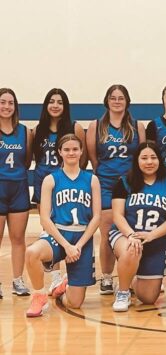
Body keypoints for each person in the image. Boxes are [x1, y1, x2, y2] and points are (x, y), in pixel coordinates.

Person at [24, 134, 101, 317]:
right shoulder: (51, 179)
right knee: (31, 253)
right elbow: (45, 219)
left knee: (74, 303)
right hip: (58, 235)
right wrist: (66, 246)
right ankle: (39, 296)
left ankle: (63, 286)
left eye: (75, 149)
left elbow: (96, 217)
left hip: (81, 238)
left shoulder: (92, 180)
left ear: (82, 151)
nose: (71, 152)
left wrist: (78, 246)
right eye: (66, 149)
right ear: (59, 152)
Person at [86, 84, 145, 295]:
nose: (117, 101)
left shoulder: (137, 126)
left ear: (127, 101)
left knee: (133, 228)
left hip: (131, 184)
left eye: (121, 98)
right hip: (106, 183)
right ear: (107, 100)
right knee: (107, 232)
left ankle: (134, 273)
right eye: (113, 98)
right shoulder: (96, 125)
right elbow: (93, 157)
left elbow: (142, 155)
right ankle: (107, 276)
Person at [108, 141, 166, 312]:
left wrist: (151, 235)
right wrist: (131, 235)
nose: (149, 162)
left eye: (153, 157)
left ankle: (130, 278)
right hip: (124, 235)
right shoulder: (124, 182)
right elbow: (117, 215)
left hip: (155, 241)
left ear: (160, 160)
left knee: (148, 298)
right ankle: (123, 292)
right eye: (144, 158)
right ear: (137, 160)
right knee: (132, 249)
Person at [32, 88, 86, 295]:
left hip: (67, 182)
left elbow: (85, 157)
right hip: (44, 182)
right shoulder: (38, 130)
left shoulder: (75, 128)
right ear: (46, 105)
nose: (55, 105)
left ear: (65, 106)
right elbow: (32, 158)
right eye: (51, 101)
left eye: (60, 102)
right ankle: (55, 277)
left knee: (67, 225)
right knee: (48, 228)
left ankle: (68, 273)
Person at [0, 88, 32, 298]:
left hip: (19, 187)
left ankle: (17, 280)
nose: (6, 106)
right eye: (2, 102)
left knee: (18, 238)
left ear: (15, 106)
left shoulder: (25, 131)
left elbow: (27, 160)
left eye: (10, 103)